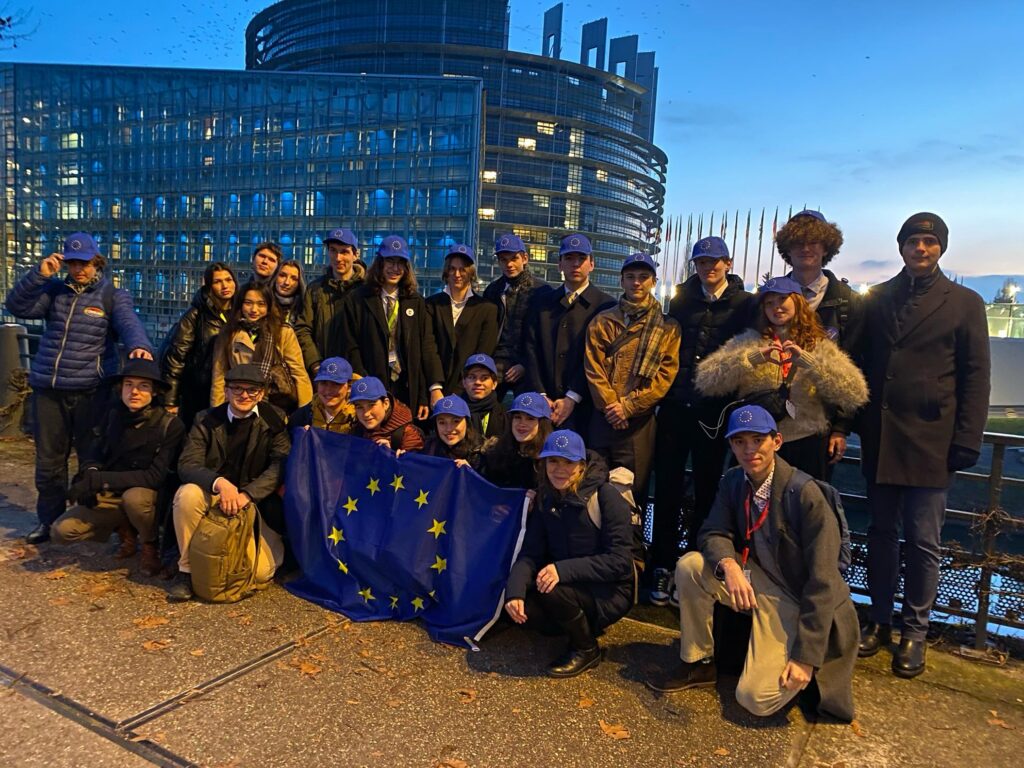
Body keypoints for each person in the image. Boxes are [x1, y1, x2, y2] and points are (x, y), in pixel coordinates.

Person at [646, 405, 859, 722]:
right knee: (690, 566)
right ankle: (699, 662)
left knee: (755, 699)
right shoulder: (734, 480)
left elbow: (824, 581)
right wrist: (729, 565)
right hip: (758, 579)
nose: (749, 450)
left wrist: (806, 658)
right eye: (739, 441)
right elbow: (712, 531)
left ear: (777, 441)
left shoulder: (805, 494)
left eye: (758, 440)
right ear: (731, 446)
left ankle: (799, 667)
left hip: (797, 598)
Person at [857, 213, 990, 679]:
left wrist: (968, 438)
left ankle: (915, 631)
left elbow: (976, 376)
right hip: (881, 435)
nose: (921, 248)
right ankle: (879, 620)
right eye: (913, 240)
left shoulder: (965, 303)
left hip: (933, 440)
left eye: (930, 241)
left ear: (941, 249)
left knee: (922, 542)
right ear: (901, 247)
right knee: (880, 535)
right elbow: (861, 364)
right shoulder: (878, 298)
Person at [4, 232, 154, 544]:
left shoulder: (111, 296)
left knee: (91, 458)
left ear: (96, 262)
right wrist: (39, 275)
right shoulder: (54, 292)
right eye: (72, 263)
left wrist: (139, 346)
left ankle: (89, 520)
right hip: (49, 389)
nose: (78, 269)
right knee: (48, 463)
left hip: (90, 391)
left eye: (84, 263)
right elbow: (16, 305)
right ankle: (49, 521)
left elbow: (129, 324)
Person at [651, 236, 753, 605]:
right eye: (702, 262)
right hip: (676, 407)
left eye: (715, 261)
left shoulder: (745, 304)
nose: (708, 267)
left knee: (709, 492)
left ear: (728, 263)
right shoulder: (681, 300)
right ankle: (662, 566)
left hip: (716, 413)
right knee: (667, 489)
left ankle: (693, 569)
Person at [695, 276, 868, 481]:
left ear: (798, 302)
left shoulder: (818, 344)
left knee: (804, 500)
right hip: (757, 443)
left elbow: (855, 393)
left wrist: (811, 364)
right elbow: (705, 381)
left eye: (782, 299)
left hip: (806, 442)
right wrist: (750, 359)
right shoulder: (749, 341)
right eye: (769, 303)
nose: (776, 307)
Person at [504, 430, 635, 677]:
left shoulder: (606, 496)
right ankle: (574, 625)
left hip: (608, 590)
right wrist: (514, 592)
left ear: (581, 466)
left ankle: (586, 648)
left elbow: (620, 562)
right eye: (553, 461)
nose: (559, 469)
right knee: (526, 607)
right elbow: (530, 553)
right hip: (569, 583)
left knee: (551, 590)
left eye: (568, 462)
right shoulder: (546, 497)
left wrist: (561, 570)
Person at [169, 364, 291, 602]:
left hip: (254, 501)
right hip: (214, 493)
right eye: (237, 388)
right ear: (226, 391)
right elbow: (187, 464)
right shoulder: (205, 419)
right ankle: (187, 571)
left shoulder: (274, 420)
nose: (244, 395)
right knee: (187, 495)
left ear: (261, 394)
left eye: (252, 390)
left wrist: (247, 494)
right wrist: (220, 483)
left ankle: (226, 560)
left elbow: (280, 465)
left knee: (262, 573)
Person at [51, 359, 185, 576]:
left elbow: (154, 477)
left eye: (143, 386)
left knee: (135, 499)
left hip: (148, 498)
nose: (134, 392)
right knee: (62, 531)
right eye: (128, 385)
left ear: (154, 392)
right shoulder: (112, 414)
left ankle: (149, 545)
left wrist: (98, 480)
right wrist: (89, 474)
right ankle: (123, 529)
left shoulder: (169, 425)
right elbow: (94, 452)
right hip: (111, 493)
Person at [584, 252, 680, 511]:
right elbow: (593, 367)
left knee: (633, 494)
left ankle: (632, 538)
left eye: (643, 277)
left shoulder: (668, 327)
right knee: (593, 488)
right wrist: (611, 406)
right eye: (630, 277)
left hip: (639, 423)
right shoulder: (603, 321)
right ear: (622, 281)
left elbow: (664, 376)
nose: (636, 282)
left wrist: (627, 407)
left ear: (653, 282)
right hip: (603, 417)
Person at [342, 235, 444, 421]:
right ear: (380, 263)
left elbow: (425, 348)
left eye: (400, 263)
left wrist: (424, 394)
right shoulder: (358, 299)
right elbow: (350, 345)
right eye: (390, 261)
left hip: (406, 386)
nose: (395, 268)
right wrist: (363, 382)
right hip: (372, 384)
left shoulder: (416, 301)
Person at [522, 233, 615, 431]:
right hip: (543, 406)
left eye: (581, 259)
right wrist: (541, 394)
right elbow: (530, 349)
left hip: (585, 408)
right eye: (569, 258)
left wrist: (573, 396)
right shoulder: (542, 302)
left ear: (592, 264)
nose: (575, 264)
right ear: (559, 265)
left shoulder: (606, 306)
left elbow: (602, 358)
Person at [210, 282, 312, 414]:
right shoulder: (229, 333)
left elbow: (299, 374)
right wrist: (217, 413)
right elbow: (219, 376)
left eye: (261, 304)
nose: (254, 309)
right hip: (239, 402)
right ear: (240, 304)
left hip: (276, 406)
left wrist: (305, 414)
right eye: (248, 303)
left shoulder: (282, 332)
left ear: (269, 306)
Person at [775, 210, 864, 359]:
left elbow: (856, 357)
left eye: (813, 242)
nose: (805, 248)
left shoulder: (849, 301)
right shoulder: (768, 298)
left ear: (826, 249)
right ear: (788, 249)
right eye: (798, 242)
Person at [160, 262, 237, 428]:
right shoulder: (196, 315)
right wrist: (170, 400)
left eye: (228, 280)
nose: (225, 285)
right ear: (209, 286)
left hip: (232, 390)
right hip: (198, 393)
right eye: (217, 281)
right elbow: (176, 358)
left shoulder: (240, 312)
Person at [426, 244, 498, 393]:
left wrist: (462, 389)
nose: (457, 274)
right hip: (434, 388)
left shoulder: (487, 309)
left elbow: (483, 353)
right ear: (446, 272)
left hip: (468, 390)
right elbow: (428, 348)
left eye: (462, 269)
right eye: (452, 269)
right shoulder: (431, 304)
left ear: (471, 272)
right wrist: (435, 387)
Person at [294, 228, 366, 377]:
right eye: (333, 251)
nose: (338, 258)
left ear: (355, 255)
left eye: (344, 252)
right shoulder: (315, 289)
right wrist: (315, 364)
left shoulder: (366, 290)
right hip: (325, 373)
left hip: (358, 374)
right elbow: (303, 328)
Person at [482, 234, 547, 398]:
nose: (509, 264)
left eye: (514, 258)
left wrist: (524, 364)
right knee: (482, 399)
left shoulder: (542, 291)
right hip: (497, 360)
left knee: (528, 406)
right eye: (503, 260)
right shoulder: (493, 290)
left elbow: (545, 337)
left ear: (525, 258)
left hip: (529, 362)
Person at [479, 392, 553, 490]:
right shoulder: (496, 451)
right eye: (517, 417)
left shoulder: (549, 460)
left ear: (542, 424)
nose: (522, 424)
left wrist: (539, 496)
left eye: (530, 419)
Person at [348, 376, 425, 453]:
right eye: (359, 407)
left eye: (371, 405)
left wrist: (392, 456)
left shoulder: (408, 434)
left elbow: (415, 459)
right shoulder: (357, 430)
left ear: (385, 404)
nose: (366, 414)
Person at [288, 357, 357, 434]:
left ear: (349, 387)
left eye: (336, 384)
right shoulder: (302, 417)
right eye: (323, 383)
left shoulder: (359, 419)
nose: (328, 390)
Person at [420, 394, 484, 469]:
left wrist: (470, 472)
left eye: (456, 421)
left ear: (467, 423)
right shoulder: (427, 448)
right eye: (442, 423)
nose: (449, 429)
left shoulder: (481, 453)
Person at [460, 353, 506, 440]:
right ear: (464, 382)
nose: (478, 382)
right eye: (472, 377)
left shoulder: (505, 417)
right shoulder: (454, 412)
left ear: (494, 384)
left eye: (484, 378)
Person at [273, 259, 306, 327]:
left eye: (294, 279)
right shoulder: (264, 302)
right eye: (282, 275)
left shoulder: (304, 309)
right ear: (275, 277)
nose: (286, 282)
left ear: (300, 283)